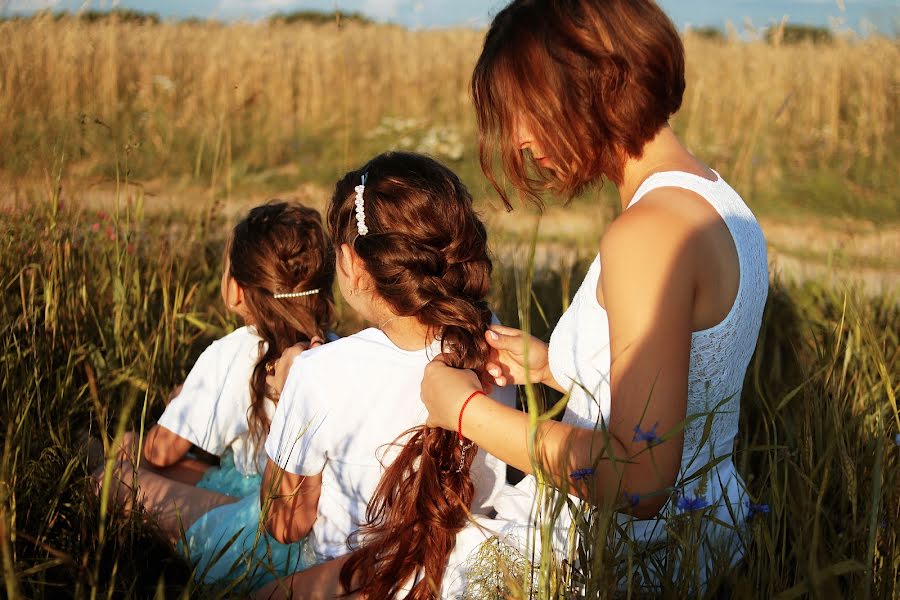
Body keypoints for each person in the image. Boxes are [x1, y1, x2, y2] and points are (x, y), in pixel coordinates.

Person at [417, 0, 770, 591]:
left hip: (626, 562)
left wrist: (465, 411)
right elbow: (687, 381)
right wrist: (555, 367)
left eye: (528, 109)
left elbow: (636, 479)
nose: (522, 139)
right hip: (707, 534)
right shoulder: (713, 197)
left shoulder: (647, 234)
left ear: (591, 84)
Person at [257, 152, 516, 599]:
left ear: (353, 265)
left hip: (357, 580)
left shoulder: (319, 373)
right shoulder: (496, 343)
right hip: (472, 574)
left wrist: (284, 398)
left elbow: (285, 524)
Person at [96, 201, 336, 591]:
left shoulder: (234, 352)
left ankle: (88, 460)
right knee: (157, 459)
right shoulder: (336, 347)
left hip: (265, 530)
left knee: (115, 475)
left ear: (237, 290)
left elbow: (162, 451)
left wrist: (173, 408)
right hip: (310, 518)